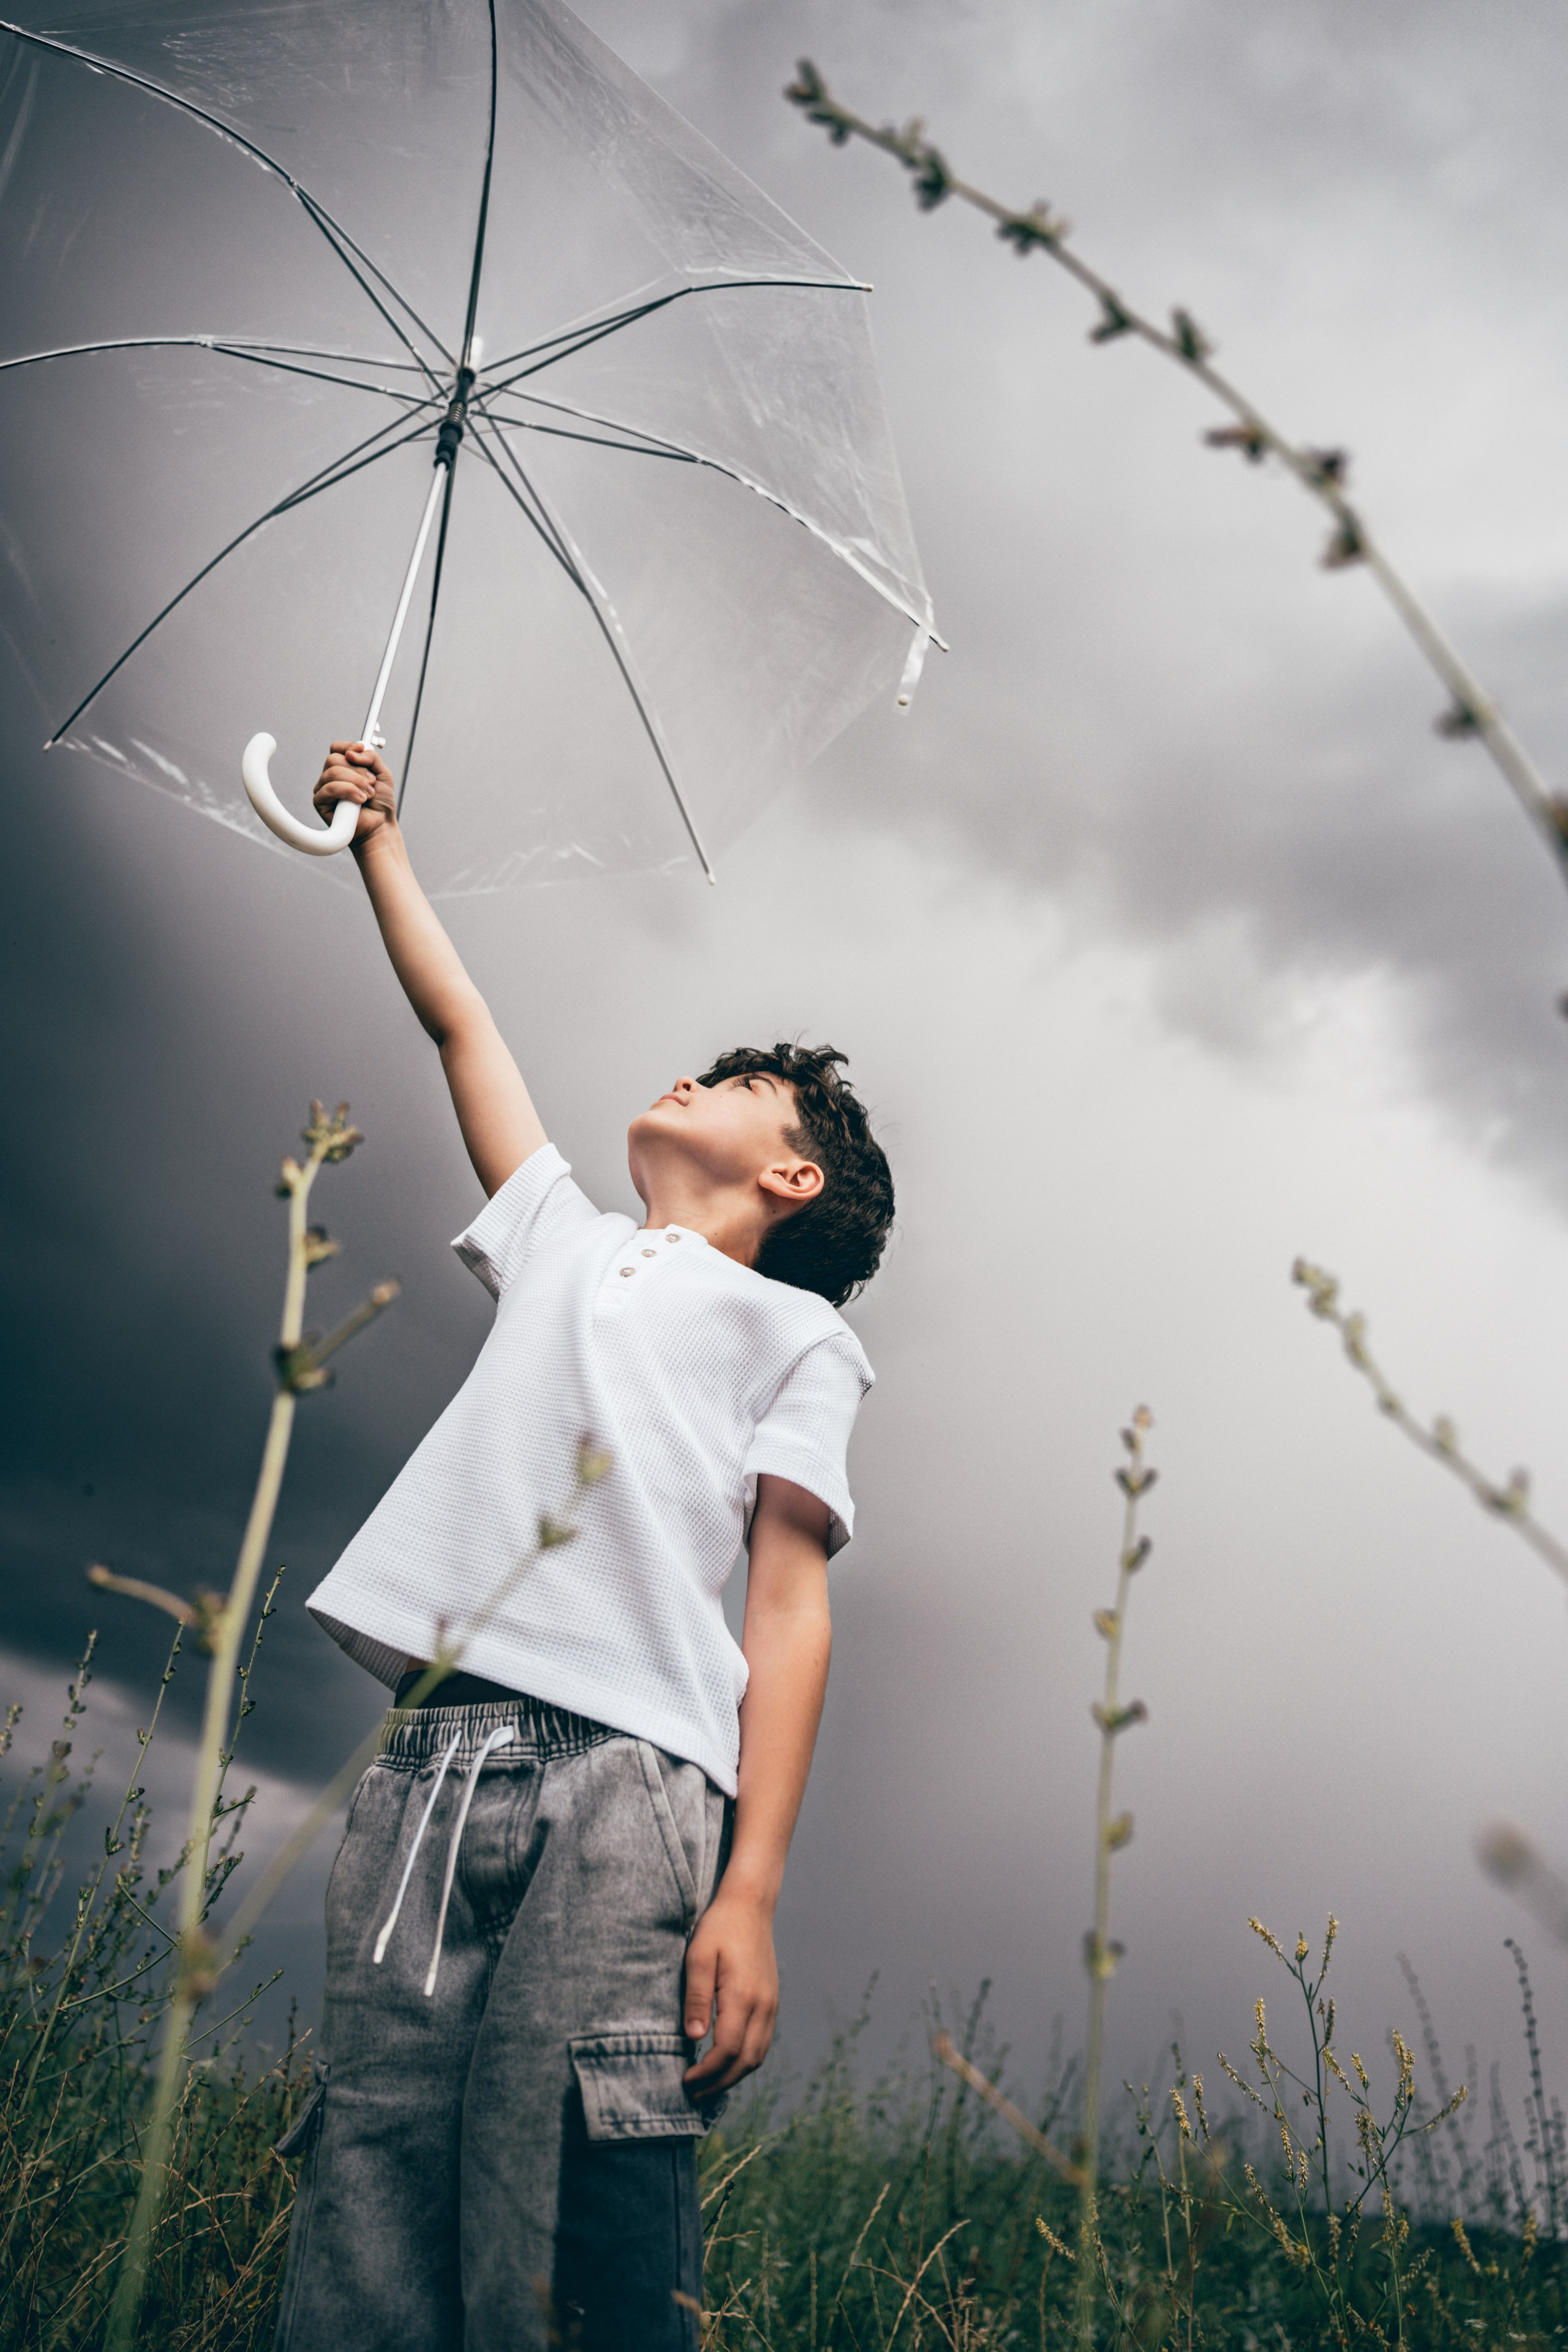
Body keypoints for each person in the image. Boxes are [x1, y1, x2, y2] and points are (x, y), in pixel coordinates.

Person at [272, 742, 895, 2352]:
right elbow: (461, 1023)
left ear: (792, 1175)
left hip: (634, 1784)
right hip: (430, 1760)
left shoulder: (794, 1335)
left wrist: (750, 1886)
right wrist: (380, 844)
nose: (690, 1076)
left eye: (738, 1081)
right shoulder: (565, 1235)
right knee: (375, 2157)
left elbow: (790, 1605)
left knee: (572, 2177)